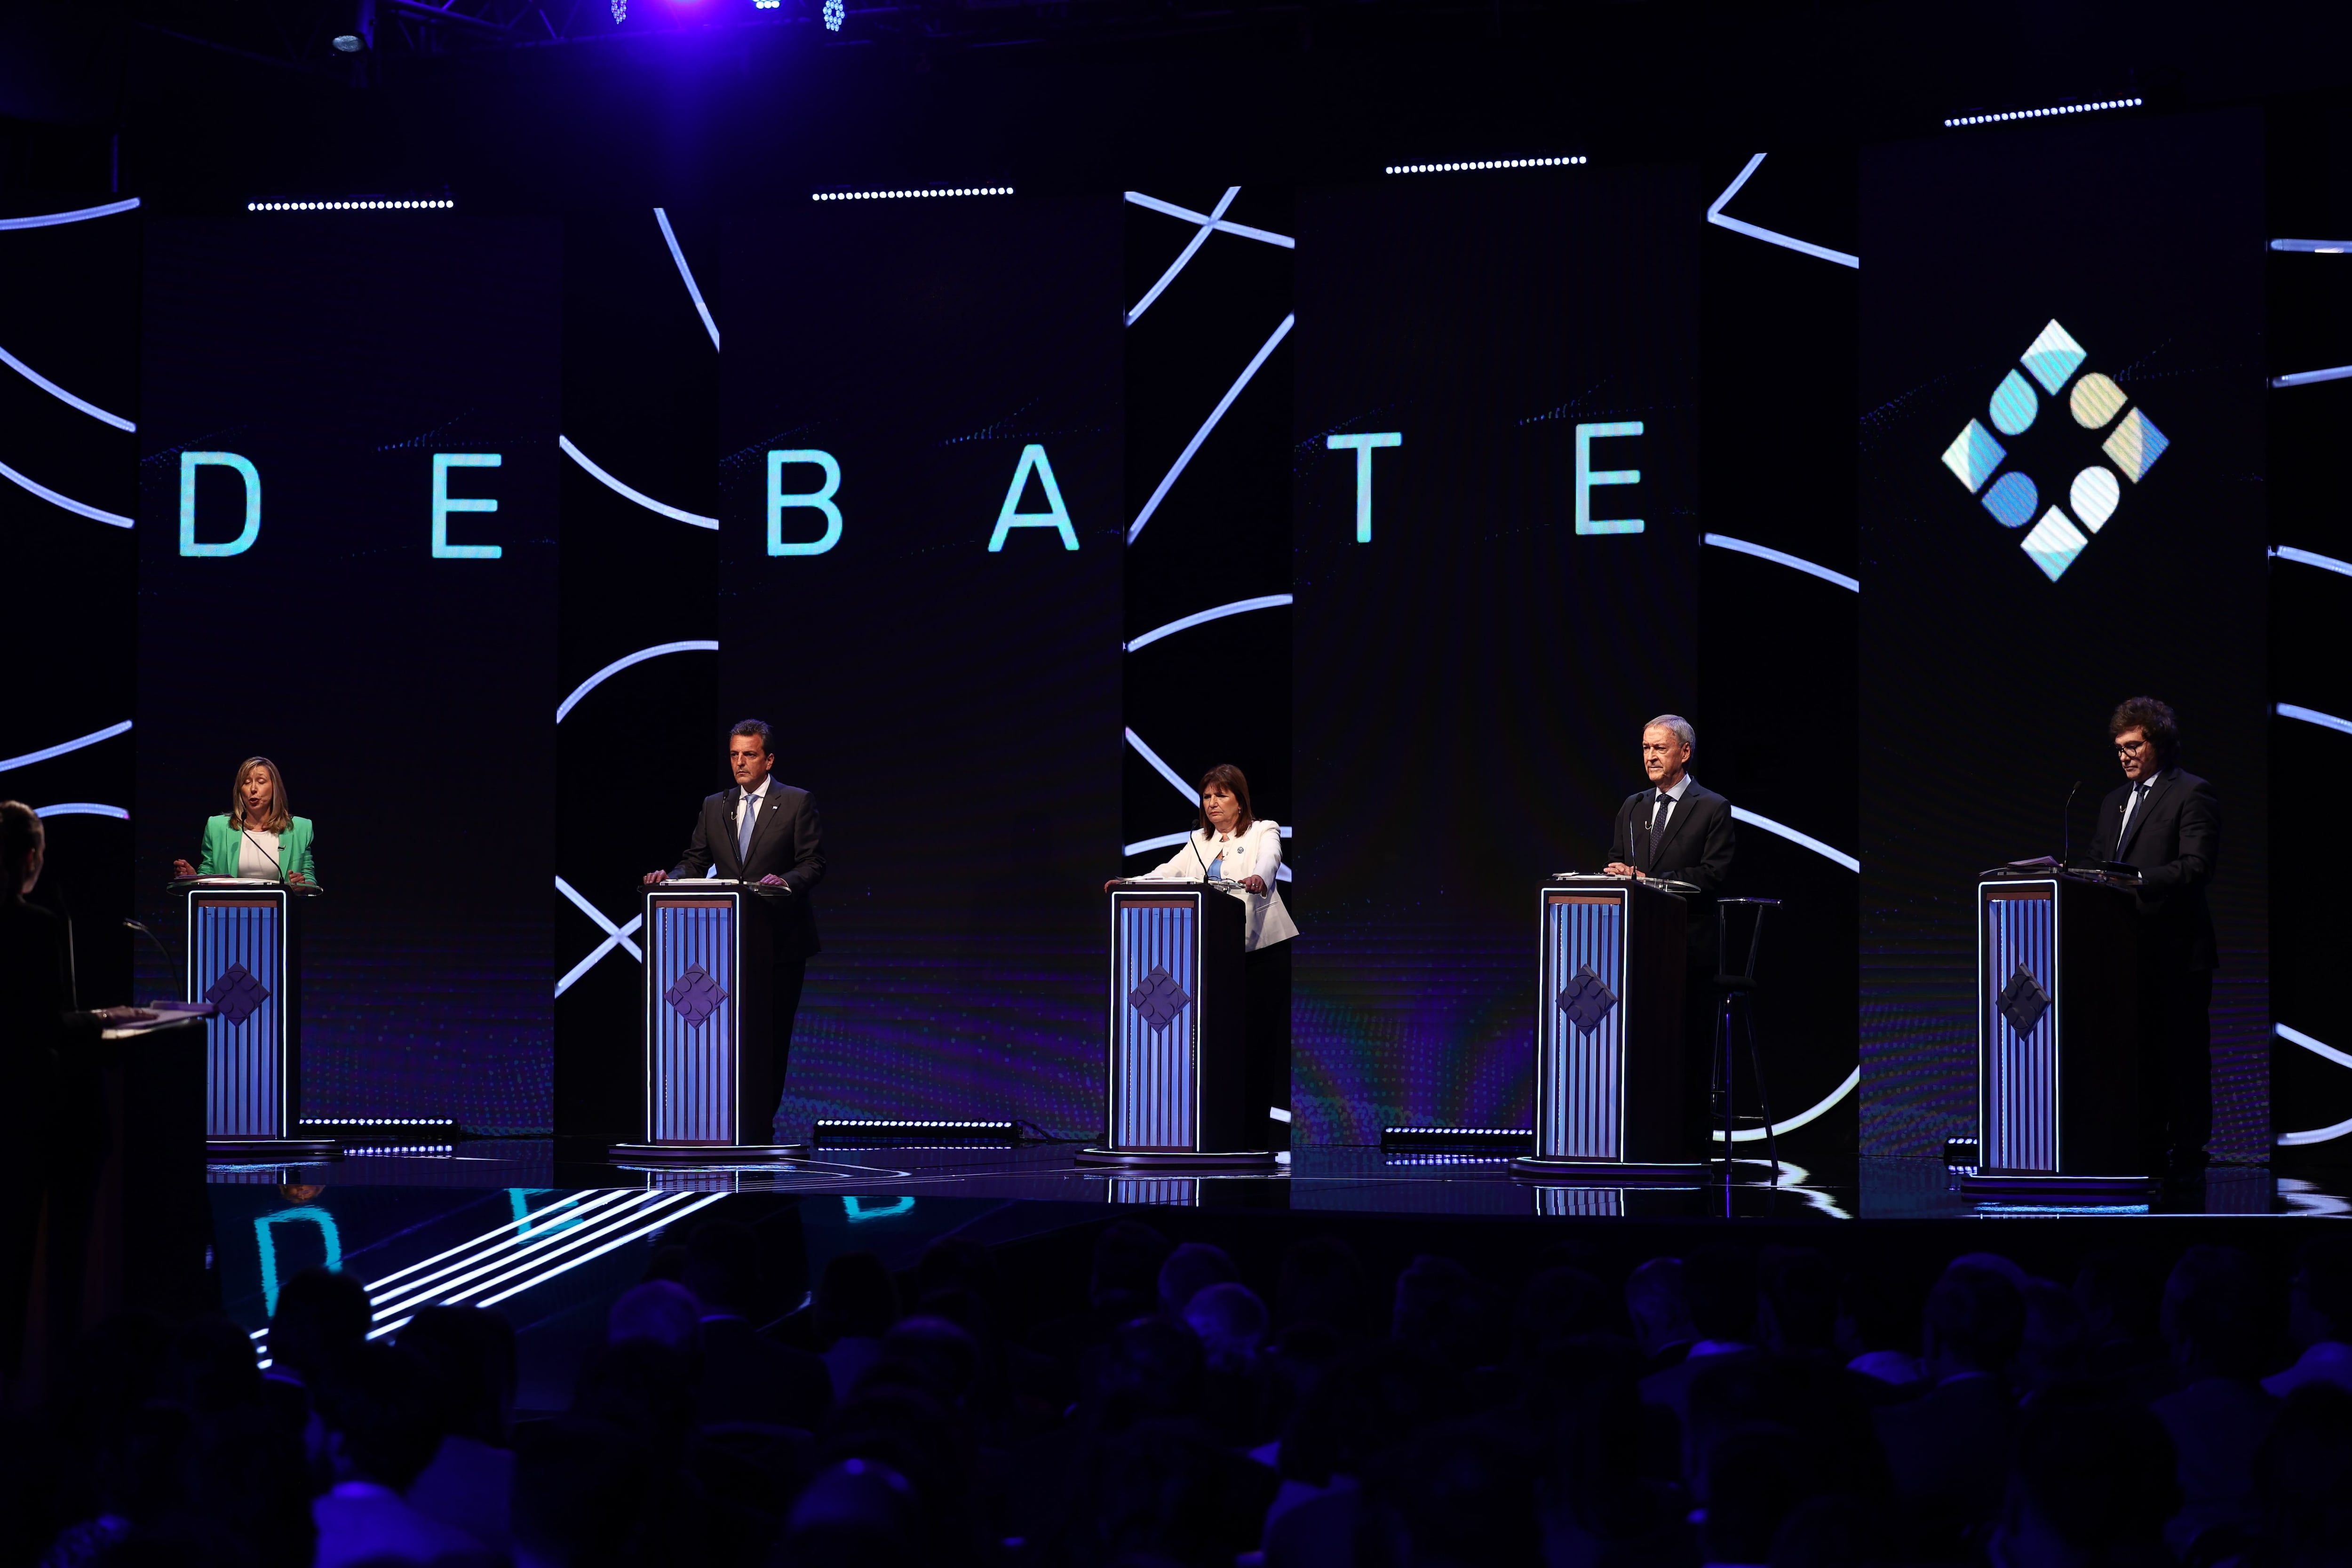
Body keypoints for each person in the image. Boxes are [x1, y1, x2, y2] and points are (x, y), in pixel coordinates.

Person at [643, 719, 824, 1143]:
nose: (740, 763)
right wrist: (670, 878)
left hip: (780, 944)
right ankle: (722, 1123)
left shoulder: (796, 802)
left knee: (771, 1041)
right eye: (734, 755)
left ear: (769, 759)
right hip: (725, 949)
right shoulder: (715, 805)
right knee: (727, 1039)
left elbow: (813, 863)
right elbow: (695, 860)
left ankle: (761, 1126)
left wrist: (786, 882)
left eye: (749, 754)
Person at [1109, 764, 1299, 1149]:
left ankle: (1256, 1140)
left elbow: (1270, 860)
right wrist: (1131, 883)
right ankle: (1220, 1136)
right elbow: (1169, 871)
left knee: (1257, 1047)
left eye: (1221, 795)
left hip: (1262, 955)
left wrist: (1260, 878)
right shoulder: (1199, 841)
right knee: (1218, 1050)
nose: (1212, 803)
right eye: (1208, 797)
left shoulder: (1264, 830)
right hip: (1216, 961)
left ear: (1240, 800)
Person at [2085, 697, 2219, 1175]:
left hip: (2176, 954)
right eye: (2118, 748)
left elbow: (2195, 867)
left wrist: (2138, 881)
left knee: (2180, 1055)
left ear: (2157, 743)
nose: (2123, 755)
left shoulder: (2191, 793)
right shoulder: (2111, 802)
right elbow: (2099, 868)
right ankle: (2140, 1145)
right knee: (2134, 1055)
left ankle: (2187, 1154)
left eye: (2133, 745)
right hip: (2124, 956)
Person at [1601, 715, 1736, 1157]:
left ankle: (1688, 1147)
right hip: (1635, 950)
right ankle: (1634, 1139)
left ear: (1684, 752)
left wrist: (1648, 879)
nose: (1651, 756)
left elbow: (1713, 876)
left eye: (1660, 748)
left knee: (1686, 1052)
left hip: (1688, 948)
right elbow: (1619, 862)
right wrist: (1621, 874)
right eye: (1645, 748)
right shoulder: (1633, 807)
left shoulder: (1712, 807)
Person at [169, 756, 318, 885]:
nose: (253, 788)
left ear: (275, 787)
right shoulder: (218, 827)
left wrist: (302, 885)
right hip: (230, 911)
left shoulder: (300, 828)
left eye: (261, 781)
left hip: (278, 911)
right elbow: (209, 872)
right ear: (240, 790)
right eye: (246, 782)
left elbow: (309, 878)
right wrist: (194, 878)